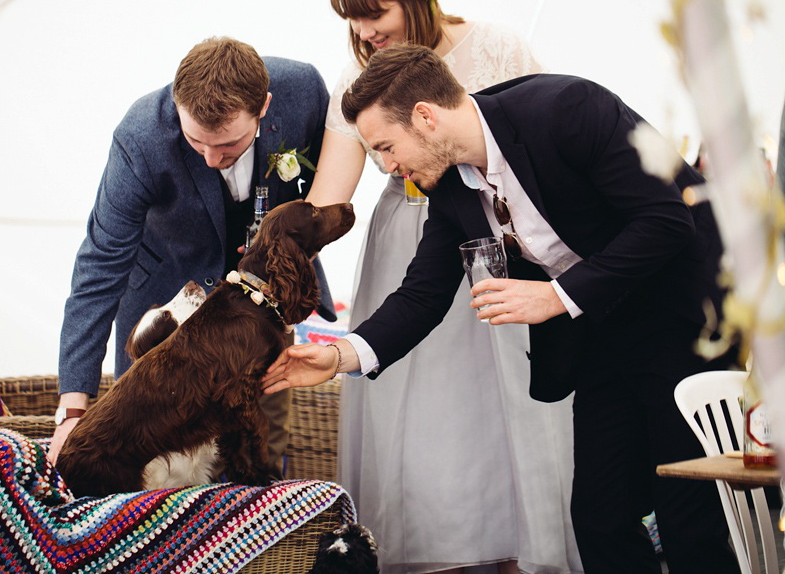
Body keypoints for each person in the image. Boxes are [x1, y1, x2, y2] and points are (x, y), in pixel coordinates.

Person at [264, 43, 740, 574]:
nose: (386, 166)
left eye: (386, 146)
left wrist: (554, 296)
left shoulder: (568, 108)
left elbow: (667, 221)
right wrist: (342, 356)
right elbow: (423, 292)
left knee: (687, 519)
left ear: (425, 118)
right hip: (603, 337)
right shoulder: (449, 186)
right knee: (599, 518)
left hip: (685, 319)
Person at [307, 0, 579, 573]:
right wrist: (274, 253)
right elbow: (331, 198)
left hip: (501, 242)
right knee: (425, 410)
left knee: (513, 396)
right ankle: (437, 556)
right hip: (410, 247)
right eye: (352, 18)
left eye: (375, 13)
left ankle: (527, 548)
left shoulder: (499, 47)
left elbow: (536, 141)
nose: (364, 31)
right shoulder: (359, 79)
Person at [48, 37, 337, 472]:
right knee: (152, 471)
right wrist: (72, 410)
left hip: (261, 319)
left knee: (259, 450)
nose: (209, 159)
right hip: (168, 325)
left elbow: (323, 194)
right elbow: (100, 264)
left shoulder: (304, 91)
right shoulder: (140, 136)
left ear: (265, 107)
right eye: (195, 142)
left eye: (228, 145)